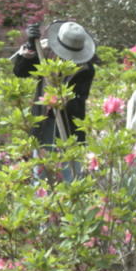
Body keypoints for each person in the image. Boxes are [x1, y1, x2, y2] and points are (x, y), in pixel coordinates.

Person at [13, 21, 96, 182]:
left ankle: (70, 202)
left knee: (70, 173)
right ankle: (42, 204)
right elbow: (20, 71)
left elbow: (79, 103)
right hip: (44, 121)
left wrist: (61, 98)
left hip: (69, 124)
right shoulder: (44, 53)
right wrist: (30, 44)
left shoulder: (86, 68)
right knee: (42, 173)